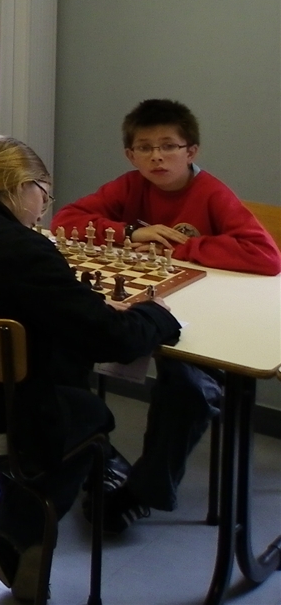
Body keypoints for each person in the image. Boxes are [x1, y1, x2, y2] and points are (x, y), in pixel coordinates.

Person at [0, 136, 180, 601]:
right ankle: (14, 532)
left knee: (61, 373)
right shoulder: (23, 248)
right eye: (44, 196)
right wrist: (156, 315)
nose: (42, 211)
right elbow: (110, 339)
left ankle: (15, 531)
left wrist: (79, 307)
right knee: (91, 415)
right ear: (20, 186)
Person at [52, 99, 280, 533]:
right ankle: (92, 458)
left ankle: (142, 491)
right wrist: (131, 232)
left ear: (191, 151)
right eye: (145, 147)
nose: (157, 157)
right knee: (65, 340)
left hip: (206, 317)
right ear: (131, 155)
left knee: (187, 385)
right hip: (146, 305)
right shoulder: (129, 186)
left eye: (169, 146)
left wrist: (181, 247)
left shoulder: (210, 193)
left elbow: (266, 257)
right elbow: (67, 219)